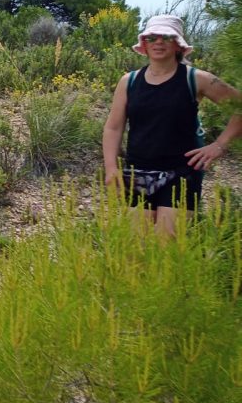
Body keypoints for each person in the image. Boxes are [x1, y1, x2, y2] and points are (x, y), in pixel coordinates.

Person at [103, 14, 241, 236]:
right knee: (134, 252)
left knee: (166, 249)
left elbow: (239, 107)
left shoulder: (196, 79)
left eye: (166, 37)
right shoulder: (128, 82)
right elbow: (113, 127)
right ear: (144, 44)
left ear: (178, 44)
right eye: (152, 37)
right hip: (138, 171)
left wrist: (219, 145)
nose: (159, 42)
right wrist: (111, 168)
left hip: (182, 173)